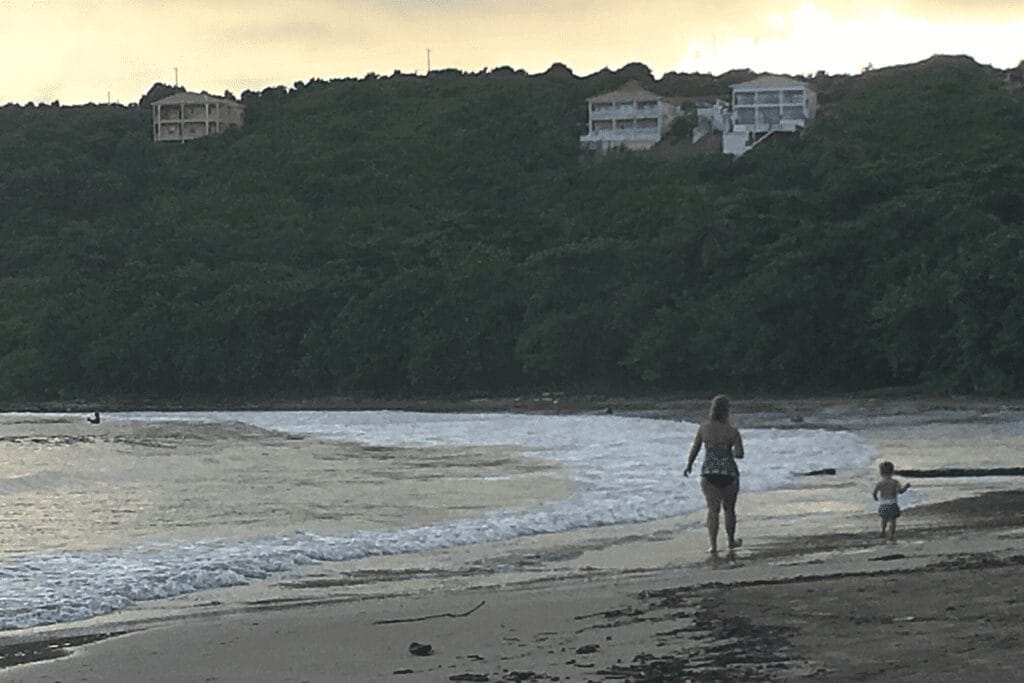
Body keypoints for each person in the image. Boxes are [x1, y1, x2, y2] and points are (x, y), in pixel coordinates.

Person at [684, 394, 744, 554]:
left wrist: (689, 465)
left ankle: (713, 545)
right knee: (729, 509)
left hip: (709, 472)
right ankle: (731, 541)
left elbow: (695, 448)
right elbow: (739, 454)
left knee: (713, 510)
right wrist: (730, 450)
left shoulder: (704, 428)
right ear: (727, 411)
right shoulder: (732, 432)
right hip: (728, 473)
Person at [872, 461, 911, 541]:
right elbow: (900, 491)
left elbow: (874, 493)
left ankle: (883, 531)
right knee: (892, 521)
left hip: (883, 505)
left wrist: (875, 498)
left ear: (881, 472)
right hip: (892, 504)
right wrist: (906, 487)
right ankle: (891, 534)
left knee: (884, 519)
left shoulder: (880, 483)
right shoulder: (895, 482)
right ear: (892, 472)